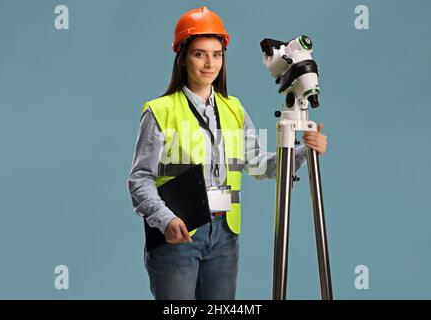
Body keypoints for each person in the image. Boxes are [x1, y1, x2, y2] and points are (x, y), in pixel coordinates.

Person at [127, 6, 328, 300]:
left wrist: (303, 151)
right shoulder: (160, 111)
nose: (210, 63)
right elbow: (140, 179)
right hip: (180, 234)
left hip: (224, 235)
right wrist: (164, 218)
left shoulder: (233, 109)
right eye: (200, 54)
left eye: (217, 54)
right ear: (182, 59)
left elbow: (259, 165)